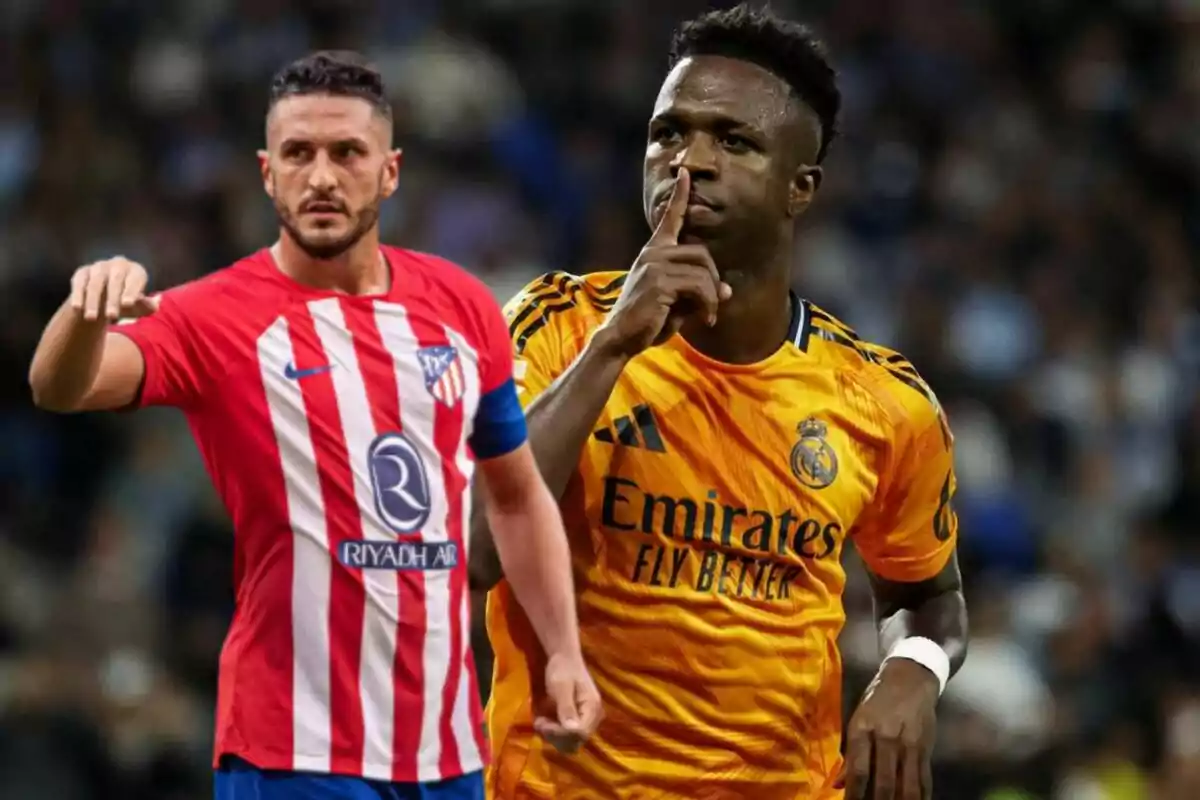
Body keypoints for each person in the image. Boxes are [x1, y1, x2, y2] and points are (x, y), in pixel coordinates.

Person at [28, 51, 601, 800]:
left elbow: (518, 496)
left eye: (347, 153)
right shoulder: (215, 313)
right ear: (268, 172)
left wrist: (562, 650)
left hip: (448, 749)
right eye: (298, 153)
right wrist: (83, 311)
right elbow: (57, 387)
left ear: (389, 171)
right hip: (293, 752)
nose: (322, 177)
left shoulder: (462, 307)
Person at [471, 6, 968, 800]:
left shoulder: (882, 401)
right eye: (668, 133)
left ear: (799, 189)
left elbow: (928, 596)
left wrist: (912, 671)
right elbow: (476, 548)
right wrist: (615, 345)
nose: (688, 161)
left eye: (733, 142)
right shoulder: (557, 327)